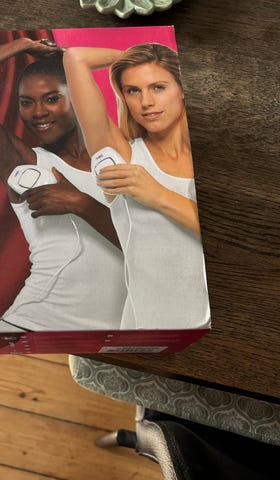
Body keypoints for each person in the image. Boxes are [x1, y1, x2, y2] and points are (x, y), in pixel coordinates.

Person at [63, 42, 210, 329]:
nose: (146, 102)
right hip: (148, 327)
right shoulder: (123, 156)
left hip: (223, 318)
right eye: (133, 90)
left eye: (158, 87)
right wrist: (133, 58)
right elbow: (76, 57)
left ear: (183, 88)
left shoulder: (210, 158)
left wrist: (157, 194)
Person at [0, 37, 127, 332]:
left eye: (52, 98)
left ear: (78, 96)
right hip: (31, 326)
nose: (38, 112)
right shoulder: (24, 163)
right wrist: (21, 45)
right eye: (26, 102)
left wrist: (81, 202)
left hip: (117, 332)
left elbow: (152, 246)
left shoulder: (125, 156)